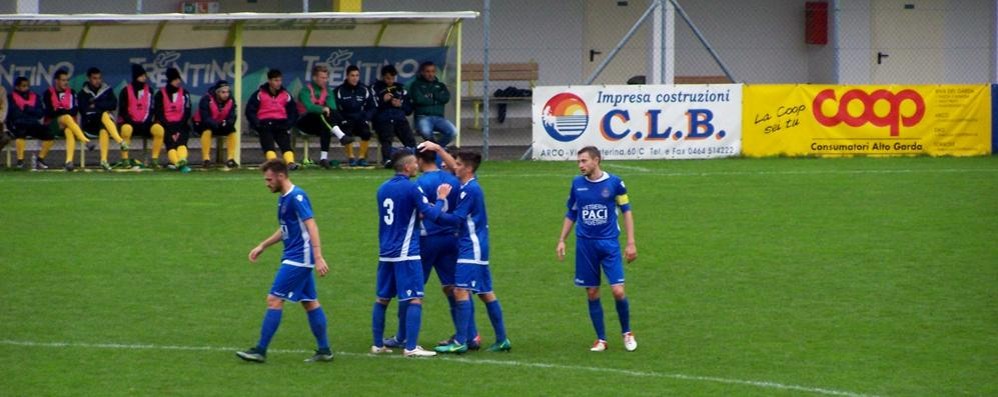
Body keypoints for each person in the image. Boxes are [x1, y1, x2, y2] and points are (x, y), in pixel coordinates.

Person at [383, 149, 482, 350]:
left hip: (426, 242)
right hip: (451, 240)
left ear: (418, 161)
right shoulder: (453, 179)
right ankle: (470, 335)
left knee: (410, 291)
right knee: (456, 288)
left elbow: (419, 213)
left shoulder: (418, 184)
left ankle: (402, 336)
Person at [237, 159, 333, 364]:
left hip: (299, 257)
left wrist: (318, 257)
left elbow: (312, 226)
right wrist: (263, 245)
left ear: (281, 176)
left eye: (269, 179)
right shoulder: (283, 198)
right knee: (309, 302)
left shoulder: (297, 197)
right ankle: (325, 350)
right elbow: (286, 229)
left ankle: (260, 350)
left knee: (274, 299)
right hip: (295, 255)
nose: (267, 183)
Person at [418, 142, 511, 354]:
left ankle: (460, 340)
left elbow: (457, 219)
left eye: (458, 164)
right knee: (486, 293)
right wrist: (440, 149)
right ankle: (502, 339)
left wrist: (436, 209)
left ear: (467, 169)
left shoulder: (469, 190)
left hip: (472, 247)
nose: (453, 167)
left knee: (460, 290)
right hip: (478, 245)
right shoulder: (471, 185)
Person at [371, 150, 454, 358]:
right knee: (415, 298)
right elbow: (433, 214)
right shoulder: (412, 188)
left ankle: (377, 344)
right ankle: (411, 347)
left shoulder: (382, 189)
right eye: (414, 163)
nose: (417, 166)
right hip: (406, 252)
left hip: (385, 252)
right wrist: (441, 198)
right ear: (407, 167)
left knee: (382, 299)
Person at [555, 146, 638, 352]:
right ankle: (601, 339)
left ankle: (627, 332)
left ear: (596, 160)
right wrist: (562, 239)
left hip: (609, 243)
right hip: (585, 245)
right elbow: (572, 213)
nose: (580, 165)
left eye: (584, 161)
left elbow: (626, 211)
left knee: (618, 291)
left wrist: (630, 242)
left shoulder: (615, 183)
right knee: (592, 292)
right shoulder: (577, 184)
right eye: (579, 162)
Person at [296, 64, 352, 169]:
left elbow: (332, 108)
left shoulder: (328, 91)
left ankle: (323, 158)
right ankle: (341, 136)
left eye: (326, 78)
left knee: (326, 121)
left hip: (320, 122)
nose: (325, 80)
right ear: (314, 78)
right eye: (322, 78)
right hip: (305, 122)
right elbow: (309, 107)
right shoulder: (306, 90)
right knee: (323, 115)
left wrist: (326, 109)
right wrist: (322, 108)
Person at [246, 69, 300, 169]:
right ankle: (273, 163)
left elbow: (293, 111)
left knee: (285, 143)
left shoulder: (285, 95)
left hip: (281, 123)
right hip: (265, 123)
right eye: (276, 80)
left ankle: (290, 162)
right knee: (268, 144)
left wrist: (288, 123)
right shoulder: (259, 94)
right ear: (269, 81)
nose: (278, 83)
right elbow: (250, 110)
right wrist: (257, 124)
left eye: (280, 80)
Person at [77, 67, 127, 171]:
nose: (97, 81)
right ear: (89, 79)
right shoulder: (83, 93)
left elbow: (113, 104)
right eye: (95, 78)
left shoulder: (107, 90)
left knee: (104, 124)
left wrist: (95, 105)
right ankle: (120, 141)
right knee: (104, 114)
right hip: (90, 125)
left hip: (104, 123)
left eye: (99, 78)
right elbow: (84, 110)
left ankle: (104, 160)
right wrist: (102, 107)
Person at [118, 63, 165, 168]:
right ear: (136, 77)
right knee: (126, 129)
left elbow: (151, 109)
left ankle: (155, 160)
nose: (144, 78)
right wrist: (131, 121)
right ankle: (125, 159)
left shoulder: (149, 91)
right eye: (142, 76)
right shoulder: (125, 91)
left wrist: (145, 121)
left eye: (145, 76)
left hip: (145, 124)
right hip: (130, 123)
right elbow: (123, 110)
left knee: (159, 130)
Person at [371, 64, 417, 169]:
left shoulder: (400, 88)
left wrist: (400, 105)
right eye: (387, 78)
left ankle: (413, 160)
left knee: (410, 140)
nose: (390, 81)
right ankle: (387, 160)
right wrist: (383, 100)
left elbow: (409, 109)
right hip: (383, 119)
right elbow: (372, 106)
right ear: (383, 77)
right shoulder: (375, 88)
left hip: (399, 118)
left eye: (392, 78)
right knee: (387, 139)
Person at [43, 69, 90, 171]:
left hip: (68, 124)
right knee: (66, 117)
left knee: (69, 130)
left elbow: (74, 110)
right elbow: (49, 112)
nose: (66, 82)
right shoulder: (48, 93)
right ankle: (85, 141)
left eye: (67, 80)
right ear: (57, 81)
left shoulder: (72, 92)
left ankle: (68, 162)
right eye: (63, 80)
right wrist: (63, 111)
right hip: (53, 124)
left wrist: (62, 110)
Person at [6, 77, 54, 169]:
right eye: (23, 86)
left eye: (27, 86)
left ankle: (40, 159)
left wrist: (28, 109)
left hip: (33, 124)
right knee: (21, 132)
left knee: (49, 134)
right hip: (19, 124)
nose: (26, 88)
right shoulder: (11, 97)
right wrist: (29, 112)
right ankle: (20, 161)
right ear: (17, 87)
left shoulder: (35, 96)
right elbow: (13, 113)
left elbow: (40, 113)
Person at [334, 65, 376, 167]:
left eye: (357, 75)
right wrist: (341, 119)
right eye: (352, 75)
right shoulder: (339, 90)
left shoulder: (364, 89)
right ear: (347, 76)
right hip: (346, 119)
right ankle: (351, 158)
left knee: (366, 133)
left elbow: (372, 107)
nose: (355, 78)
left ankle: (361, 158)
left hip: (360, 118)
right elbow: (334, 108)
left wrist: (366, 117)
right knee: (346, 133)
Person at [409, 61, 456, 147]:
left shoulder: (440, 85)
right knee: (426, 132)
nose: (430, 74)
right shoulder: (416, 85)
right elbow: (419, 100)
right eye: (427, 71)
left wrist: (429, 97)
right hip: (423, 117)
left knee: (453, 132)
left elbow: (445, 98)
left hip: (439, 118)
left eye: (433, 71)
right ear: (422, 72)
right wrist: (436, 100)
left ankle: (437, 149)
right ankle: (436, 150)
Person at [193, 80, 239, 169]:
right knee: (207, 129)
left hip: (220, 124)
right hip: (201, 123)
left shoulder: (231, 100)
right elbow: (205, 117)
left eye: (227, 92)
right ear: (217, 92)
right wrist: (217, 124)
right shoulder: (206, 99)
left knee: (232, 130)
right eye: (223, 92)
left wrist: (226, 123)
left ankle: (230, 159)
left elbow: (232, 116)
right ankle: (206, 159)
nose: (226, 94)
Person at [155, 68, 192, 172]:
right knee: (171, 145)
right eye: (175, 79)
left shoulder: (185, 93)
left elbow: (187, 110)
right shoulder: (160, 94)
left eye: (178, 79)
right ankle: (178, 164)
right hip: (166, 126)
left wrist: (179, 125)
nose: (178, 81)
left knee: (182, 143)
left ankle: (182, 160)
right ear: (170, 80)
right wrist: (169, 127)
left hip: (182, 125)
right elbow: (159, 112)